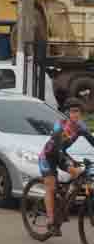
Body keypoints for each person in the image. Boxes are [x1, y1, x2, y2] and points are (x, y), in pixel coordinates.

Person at [38, 98, 94, 236]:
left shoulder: (81, 126)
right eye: (73, 111)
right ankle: (51, 221)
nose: (76, 114)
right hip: (48, 157)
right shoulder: (59, 126)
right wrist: (71, 165)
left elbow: (92, 141)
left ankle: (65, 201)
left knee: (80, 175)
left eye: (79, 112)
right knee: (51, 187)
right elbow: (57, 150)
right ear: (66, 113)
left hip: (62, 155)